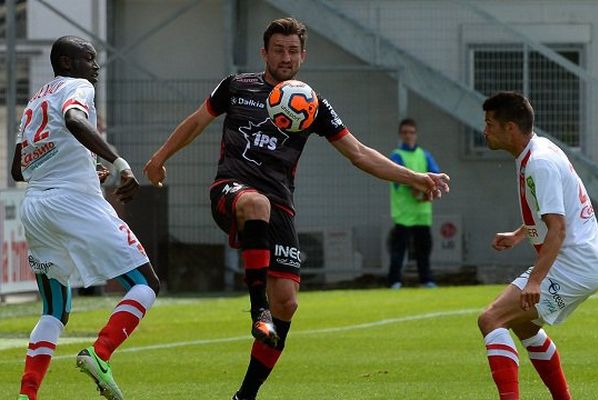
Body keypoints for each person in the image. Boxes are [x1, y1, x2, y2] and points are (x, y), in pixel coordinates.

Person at [144, 17, 449, 400]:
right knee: (255, 205)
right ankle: (258, 310)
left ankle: (245, 395)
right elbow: (196, 122)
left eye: (292, 51)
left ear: (303, 55)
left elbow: (358, 154)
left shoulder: (312, 104)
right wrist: (159, 158)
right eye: (278, 50)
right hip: (231, 191)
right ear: (264, 53)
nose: (285, 58)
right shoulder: (237, 88)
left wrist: (415, 177)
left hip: (279, 207)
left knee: (287, 303)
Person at [12, 35, 160, 400]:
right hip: (73, 203)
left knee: (55, 310)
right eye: (88, 58)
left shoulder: (34, 102)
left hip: (35, 207)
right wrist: (119, 164)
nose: (95, 66)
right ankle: (100, 353)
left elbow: (18, 169)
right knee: (146, 283)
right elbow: (75, 120)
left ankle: (26, 395)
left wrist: (83, 167)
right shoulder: (77, 87)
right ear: (66, 63)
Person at [478, 91, 598, 400]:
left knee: (491, 319)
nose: (485, 130)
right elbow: (554, 211)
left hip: (573, 264)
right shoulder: (538, 151)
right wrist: (520, 234)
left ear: (510, 128)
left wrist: (535, 280)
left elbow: (557, 229)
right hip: (581, 261)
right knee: (525, 326)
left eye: (490, 123)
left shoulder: (539, 163)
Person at [388, 118, 440, 289]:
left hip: (422, 212)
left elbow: (436, 173)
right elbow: (399, 179)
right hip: (403, 212)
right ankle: (394, 281)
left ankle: (426, 280)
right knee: (399, 249)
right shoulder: (397, 155)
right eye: (405, 132)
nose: (408, 136)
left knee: (423, 249)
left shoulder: (424, 155)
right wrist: (419, 188)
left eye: (411, 132)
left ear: (416, 134)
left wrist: (428, 190)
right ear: (400, 135)